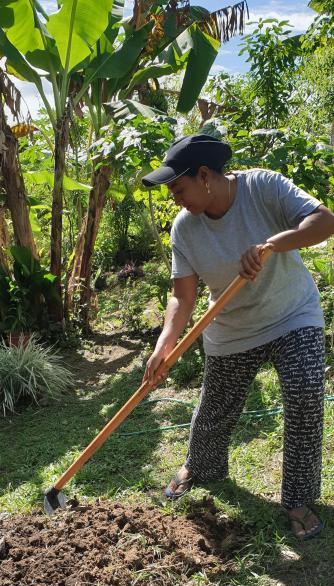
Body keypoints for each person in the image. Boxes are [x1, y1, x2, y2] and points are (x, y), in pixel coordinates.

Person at [142, 133, 334, 540]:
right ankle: (201, 465)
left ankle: (298, 498)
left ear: (206, 175)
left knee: (303, 391)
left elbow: (324, 221)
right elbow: (183, 294)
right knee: (214, 410)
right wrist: (165, 344)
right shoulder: (184, 229)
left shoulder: (262, 186)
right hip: (231, 328)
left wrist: (271, 245)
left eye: (179, 188)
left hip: (291, 314)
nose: (175, 198)